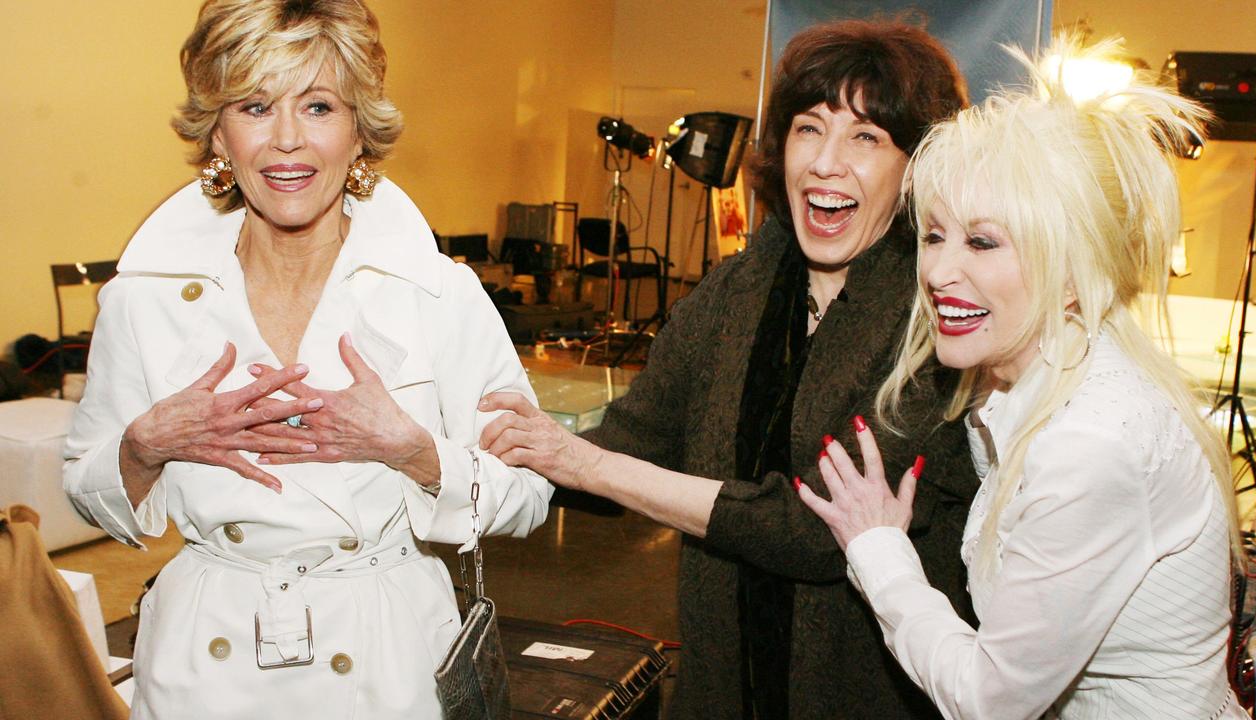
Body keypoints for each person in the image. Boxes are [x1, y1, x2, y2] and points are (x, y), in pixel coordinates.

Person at [62, 1, 552, 717]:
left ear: (359, 130)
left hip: (385, 661)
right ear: (219, 133)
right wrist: (143, 447)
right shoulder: (143, 299)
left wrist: (416, 454)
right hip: (203, 663)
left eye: (318, 105)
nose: (286, 141)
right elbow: (86, 486)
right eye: (256, 106)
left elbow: (530, 494)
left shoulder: (439, 294)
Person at [481, 20, 974, 720]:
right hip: (721, 693)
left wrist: (585, 465)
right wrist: (451, 446)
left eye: (865, 137)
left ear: (914, 167)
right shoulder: (733, 291)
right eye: (809, 128)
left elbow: (814, 529)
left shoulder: (939, 322)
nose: (825, 163)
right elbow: (629, 441)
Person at [796, 39, 1248, 720]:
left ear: (1071, 268)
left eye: (982, 242)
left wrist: (878, 549)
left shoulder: (1091, 441)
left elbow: (990, 699)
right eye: (936, 235)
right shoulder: (1013, 386)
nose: (940, 271)